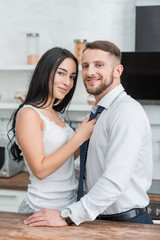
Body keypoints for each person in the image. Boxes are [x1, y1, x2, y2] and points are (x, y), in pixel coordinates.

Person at [24, 40, 153, 226]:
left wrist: (67, 215)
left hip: (127, 225)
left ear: (118, 71)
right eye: (85, 66)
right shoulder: (97, 112)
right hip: (99, 221)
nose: (90, 72)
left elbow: (114, 181)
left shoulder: (126, 111)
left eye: (99, 65)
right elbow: (90, 166)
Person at [8, 47, 96, 214]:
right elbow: (40, 170)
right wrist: (79, 137)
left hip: (63, 209)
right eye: (61, 73)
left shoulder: (55, 114)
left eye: (72, 77)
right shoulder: (28, 114)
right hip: (39, 209)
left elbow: (64, 156)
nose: (67, 82)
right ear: (43, 71)